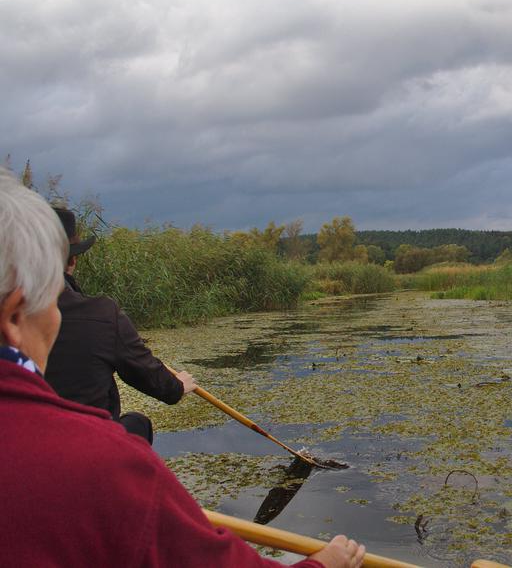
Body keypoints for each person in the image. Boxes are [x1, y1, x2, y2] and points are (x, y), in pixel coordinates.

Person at [0, 169, 365, 567]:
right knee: (137, 426)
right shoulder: (104, 462)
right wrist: (326, 563)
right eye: (52, 302)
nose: (59, 315)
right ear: (15, 316)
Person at [44, 207, 195, 444]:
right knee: (138, 424)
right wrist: (177, 387)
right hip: (90, 447)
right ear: (72, 260)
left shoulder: (13, 315)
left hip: (23, 445)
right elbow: (147, 374)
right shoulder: (102, 314)